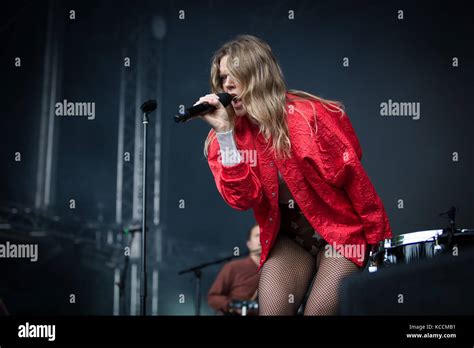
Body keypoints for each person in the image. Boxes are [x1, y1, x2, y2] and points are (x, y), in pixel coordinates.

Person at [196, 35, 392, 315]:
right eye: (223, 77)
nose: (227, 84)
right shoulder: (223, 139)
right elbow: (243, 198)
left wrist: (380, 242)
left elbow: (355, 181)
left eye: (236, 75)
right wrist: (226, 136)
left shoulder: (307, 116)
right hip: (289, 239)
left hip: (339, 234)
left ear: (259, 75)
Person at [207, 224, 261, 315]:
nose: (262, 239)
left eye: (266, 235)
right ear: (249, 244)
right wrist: (233, 305)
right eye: (258, 235)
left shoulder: (278, 271)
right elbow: (213, 297)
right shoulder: (233, 267)